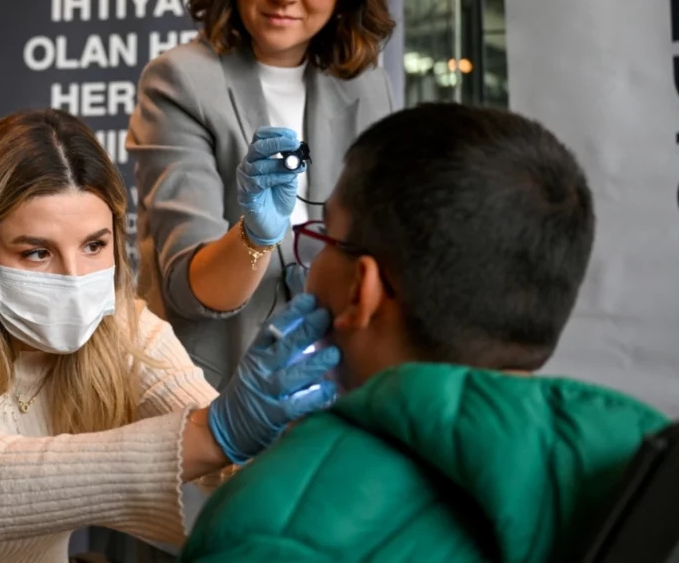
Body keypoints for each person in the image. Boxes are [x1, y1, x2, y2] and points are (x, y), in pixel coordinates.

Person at [0, 109, 340, 563]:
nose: (76, 280)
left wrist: (295, 439)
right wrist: (217, 431)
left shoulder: (118, 324)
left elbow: (229, 461)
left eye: (94, 246)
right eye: (37, 252)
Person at [176, 103, 671, 563]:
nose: (314, 260)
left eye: (325, 235)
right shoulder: (643, 462)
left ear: (362, 290)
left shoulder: (269, 527)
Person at [127, 0, 396, 389]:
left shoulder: (366, 83)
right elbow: (190, 292)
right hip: (218, 384)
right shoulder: (181, 81)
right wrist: (254, 236)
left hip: (340, 380)